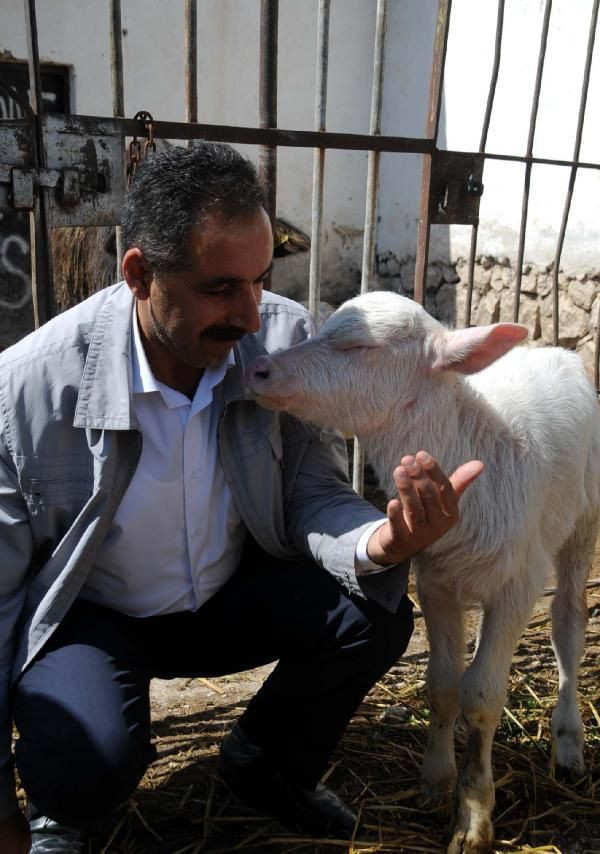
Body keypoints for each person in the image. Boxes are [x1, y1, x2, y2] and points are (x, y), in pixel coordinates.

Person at [0, 141, 482, 853]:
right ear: (140, 274)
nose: (253, 314)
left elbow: (307, 490)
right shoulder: (27, 391)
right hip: (97, 616)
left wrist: (377, 541)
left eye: (261, 279)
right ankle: (54, 814)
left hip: (228, 595)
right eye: (221, 288)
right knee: (86, 764)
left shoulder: (277, 342)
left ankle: (264, 768)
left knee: (373, 609)